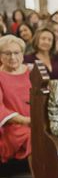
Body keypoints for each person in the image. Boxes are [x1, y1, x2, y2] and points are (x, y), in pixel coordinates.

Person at [0, 36, 31, 166]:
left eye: (16, 53)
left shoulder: (32, 71)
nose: (12, 57)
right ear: (0, 56)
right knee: (34, 137)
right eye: (7, 53)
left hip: (38, 121)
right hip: (12, 127)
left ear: (22, 54)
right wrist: (26, 121)